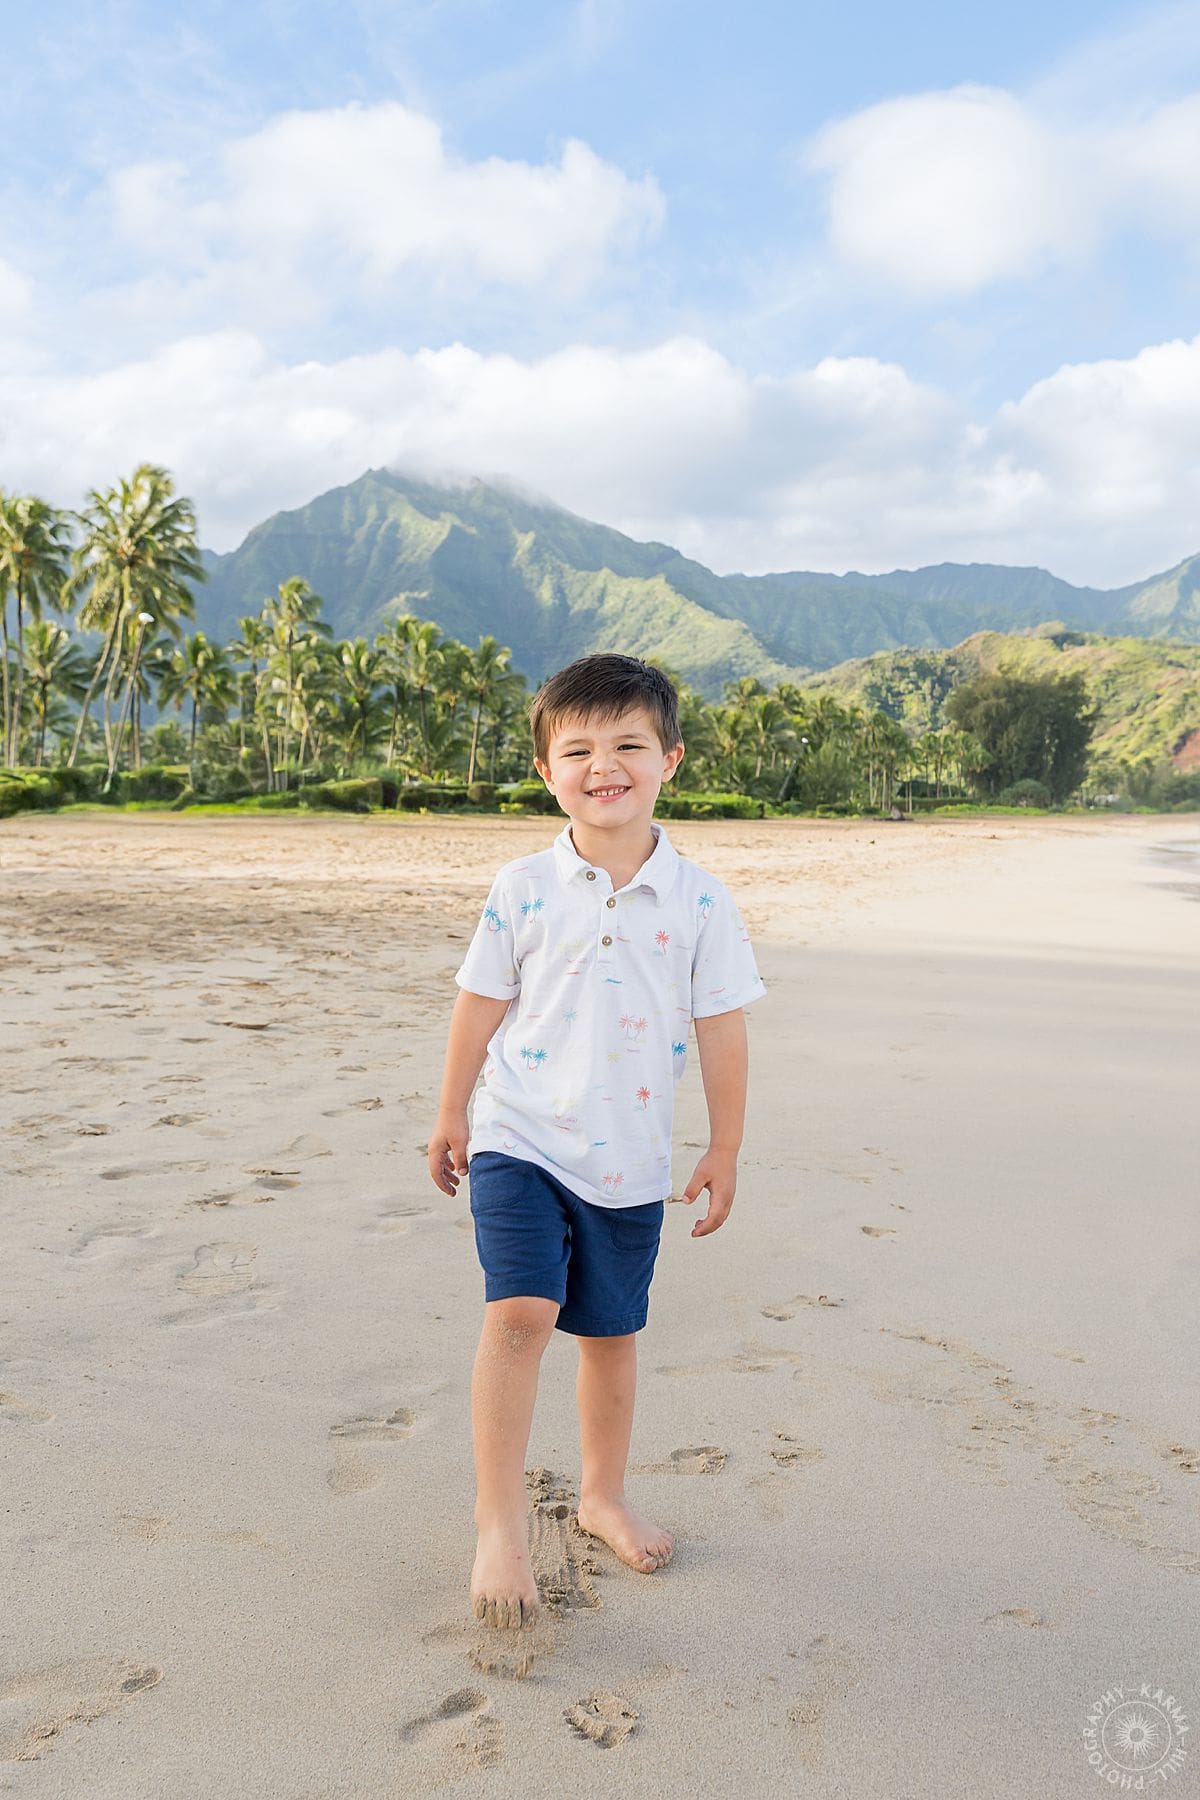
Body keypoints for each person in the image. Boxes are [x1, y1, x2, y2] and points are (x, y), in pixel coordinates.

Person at [427, 653, 766, 1630]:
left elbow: (723, 1028)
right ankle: (499, 1523)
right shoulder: (524, 885)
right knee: (522, 1313)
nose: (603, 765)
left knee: (611, 1335)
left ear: (671, 759)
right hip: (519, 1135)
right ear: (546, 771)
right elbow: (479, 1002)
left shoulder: (701, 900)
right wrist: (452, 1112)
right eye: (577, 750)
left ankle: (602, 1496)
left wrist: (724, 1148)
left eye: (628, 744)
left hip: (629, 1158)